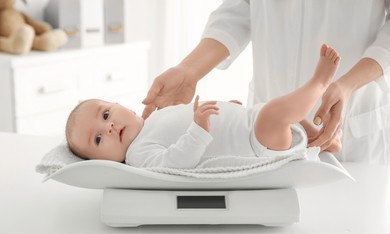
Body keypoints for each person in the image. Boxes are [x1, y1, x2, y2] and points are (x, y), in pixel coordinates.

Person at [142, 0, 390, 164]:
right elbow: (239, 11)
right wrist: (189, 70)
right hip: (267, 128)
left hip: (354, 121)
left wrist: (347, 85)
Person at [65, 45, 339, 168]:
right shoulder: (138, 155)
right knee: (274, 114)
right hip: (255, 145)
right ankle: (319, 83)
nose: (109, 127)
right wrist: (198, 129)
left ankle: (318, 140)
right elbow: (174, 162)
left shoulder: (153, 122)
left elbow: (194, 119)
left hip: (246, 123)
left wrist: (226, 111)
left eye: (105, 114)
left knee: (271, 110)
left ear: (119, 104)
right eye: (98, 138)